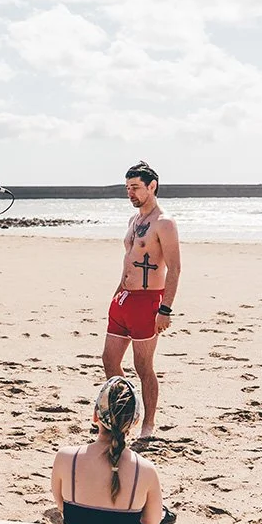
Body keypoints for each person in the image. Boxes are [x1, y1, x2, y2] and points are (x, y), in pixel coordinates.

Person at [38, 376, 163, 524]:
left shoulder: (66, 458)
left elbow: (63, 508)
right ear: (135, 421)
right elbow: (152, 522)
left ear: (95, 416)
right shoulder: (146, 470)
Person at [102, 161, 182, 438]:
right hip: (124, 298)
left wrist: (165, 309)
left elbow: (175, 268)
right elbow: (128, 262)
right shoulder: (133, 221)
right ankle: (124, 413)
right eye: (127, 188)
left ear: (152, 186)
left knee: (143, 366)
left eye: (135, 187)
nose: (130, 193)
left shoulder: (164, 223)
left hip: (148, 301)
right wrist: (116, 296)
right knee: (109, 361)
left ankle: (148, 424)